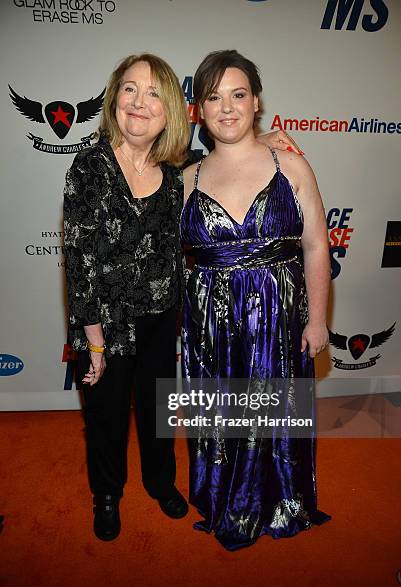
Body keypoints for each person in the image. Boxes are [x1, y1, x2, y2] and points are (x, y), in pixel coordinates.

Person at [63, 52, 300, 542]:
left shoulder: (178, 168)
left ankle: (160, 483)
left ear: (171, 110)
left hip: (162, 316)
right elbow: (79, 264)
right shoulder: (88, 166)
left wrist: (270, 137)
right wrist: (96, 343)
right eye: (130, 89)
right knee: (105, 417)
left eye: (154, 93)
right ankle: (106, 496)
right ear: (114, 99)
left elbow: (231, 150)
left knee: (157, 411)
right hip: (102, 324)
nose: (139, 102)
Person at [181, 50, 331, 551]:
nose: (227, 107)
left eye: (238, 95)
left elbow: (316, 245)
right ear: (199, 109)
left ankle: (283, 497)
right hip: (212, 327)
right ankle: (225, 498)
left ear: (257, 102)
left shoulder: (290, 165)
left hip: (280, 320)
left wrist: (318, 321)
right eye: (213, 97)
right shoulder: (187, 178)